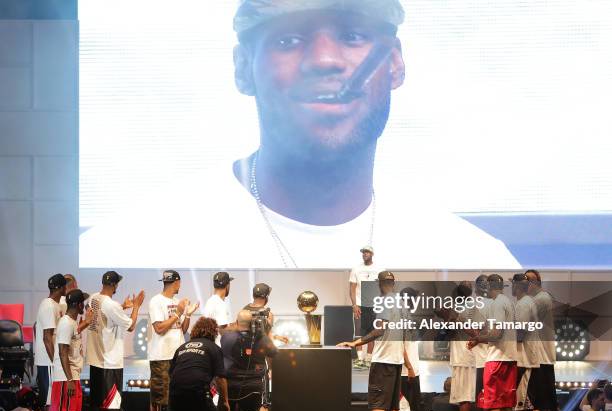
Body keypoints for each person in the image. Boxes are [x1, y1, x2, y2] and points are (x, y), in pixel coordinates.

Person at [79, 0, 520, 270]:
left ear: (396, 63)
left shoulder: (475, 261)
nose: (325, 59)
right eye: (289, 40)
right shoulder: (124, 248)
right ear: (241, 68)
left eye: (352, 35)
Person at [338, 271, 405, 411]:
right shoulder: (401, 303)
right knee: (392, 403)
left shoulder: (384, 302)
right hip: (396, 359)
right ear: (394, 283)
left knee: (377, 402)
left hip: (383, 359)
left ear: (380, 284)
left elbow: (379, 330)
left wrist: (355, 342)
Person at [86, 271, 145, 411]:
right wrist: (136, 306)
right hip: (109, 361)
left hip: (96, 358)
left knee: (99, 403)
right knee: (110, 404)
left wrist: (122, 307)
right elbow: (131, 326)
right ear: (114, 285)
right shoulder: (111, 305)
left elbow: (108, 314)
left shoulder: (94, 298)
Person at [148, 270, 199, 411]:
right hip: (161, 356)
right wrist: (178, 313)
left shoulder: (177, 302)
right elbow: (159, 328)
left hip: (177, 356)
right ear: (176, 282)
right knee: (158, 399)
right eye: (180, 283)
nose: (180, 286)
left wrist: (187, 314)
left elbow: (182, 329)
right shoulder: (156, 301)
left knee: (173, 399)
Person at [469, 274, 517, 411]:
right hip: (510, 358)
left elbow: (496, 334)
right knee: (505, 403)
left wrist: (477, 339)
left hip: (497, 359)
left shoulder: (497, 303)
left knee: (494, 403)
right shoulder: (508, 302)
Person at [221, 309, 279, 411]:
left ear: (236, 321)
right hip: (252, 386)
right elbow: (274, 352)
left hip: (230, 386)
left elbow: (228, 331)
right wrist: (263, 333)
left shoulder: (226, 336)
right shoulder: (260, 338)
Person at [167, 317, 228, 411]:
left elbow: (171, 373)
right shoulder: (214, 347)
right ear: (214, 332)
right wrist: (225, 401)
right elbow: (221, 378)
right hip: (197, 391)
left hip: (176, 392)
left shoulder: (182, 347)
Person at [443, 282, 478, 411]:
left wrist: (454, 320)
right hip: (463, 355)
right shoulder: (469, 307)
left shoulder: (463, 309)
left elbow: (474, 331)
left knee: (464, 396)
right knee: (468, 396)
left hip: (465, 356)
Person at [50, 289, 91, 411]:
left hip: (72, 376)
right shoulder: (66, 323)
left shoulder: (71, 322)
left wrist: (87, 321)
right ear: (79, 305)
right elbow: (63, 352)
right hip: (65, 379)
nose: (84, 306)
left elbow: (75, 333)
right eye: (82, 303)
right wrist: (69, 381)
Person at [512, 273, 545, 411]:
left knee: (522, 403)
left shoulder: (524, 304)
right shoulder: (524, 302)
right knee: (523, 402)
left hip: (525, 359)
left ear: (517, 286)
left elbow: (520, 332)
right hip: (526, 358)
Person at [525, 269, 557, 411]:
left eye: (530, 280)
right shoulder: (534, 299)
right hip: (536, 357)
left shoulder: (542, 299)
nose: (526, 283)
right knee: (538, 400)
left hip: (542, 357)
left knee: (543, 400)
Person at [34, 273, 67, 411]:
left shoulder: (55, 305)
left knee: (52, 400)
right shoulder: (48, 306)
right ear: (60, 288)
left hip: (50, 360)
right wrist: (56, 362)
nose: (67, 288)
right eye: (65, 285)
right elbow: (47, 338)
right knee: (49, 401)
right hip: (48, 362)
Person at [350, 245, 384, 369]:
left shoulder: (380, 269)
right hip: (359, 304)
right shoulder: (356, 269)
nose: (364, 254)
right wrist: (354, 305)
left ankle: (369, 359)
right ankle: (360, 359)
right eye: (363, 252)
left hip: (374, 305)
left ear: (372, 254)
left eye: (367, 252)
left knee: (371, 332)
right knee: (358, 331)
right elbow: (352, 288)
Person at [471, 275, 493, 411]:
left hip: (488, 361)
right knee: (482, 399)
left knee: (487, 400)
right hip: (481, 361)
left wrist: (476, 338)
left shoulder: (488, 306)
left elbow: (491, 335)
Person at [203, 272, 233, 344]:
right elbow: (222, 330)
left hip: (211, 344)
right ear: (227, 285)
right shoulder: (220, 304)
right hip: (218, 346)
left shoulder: (211, 301)